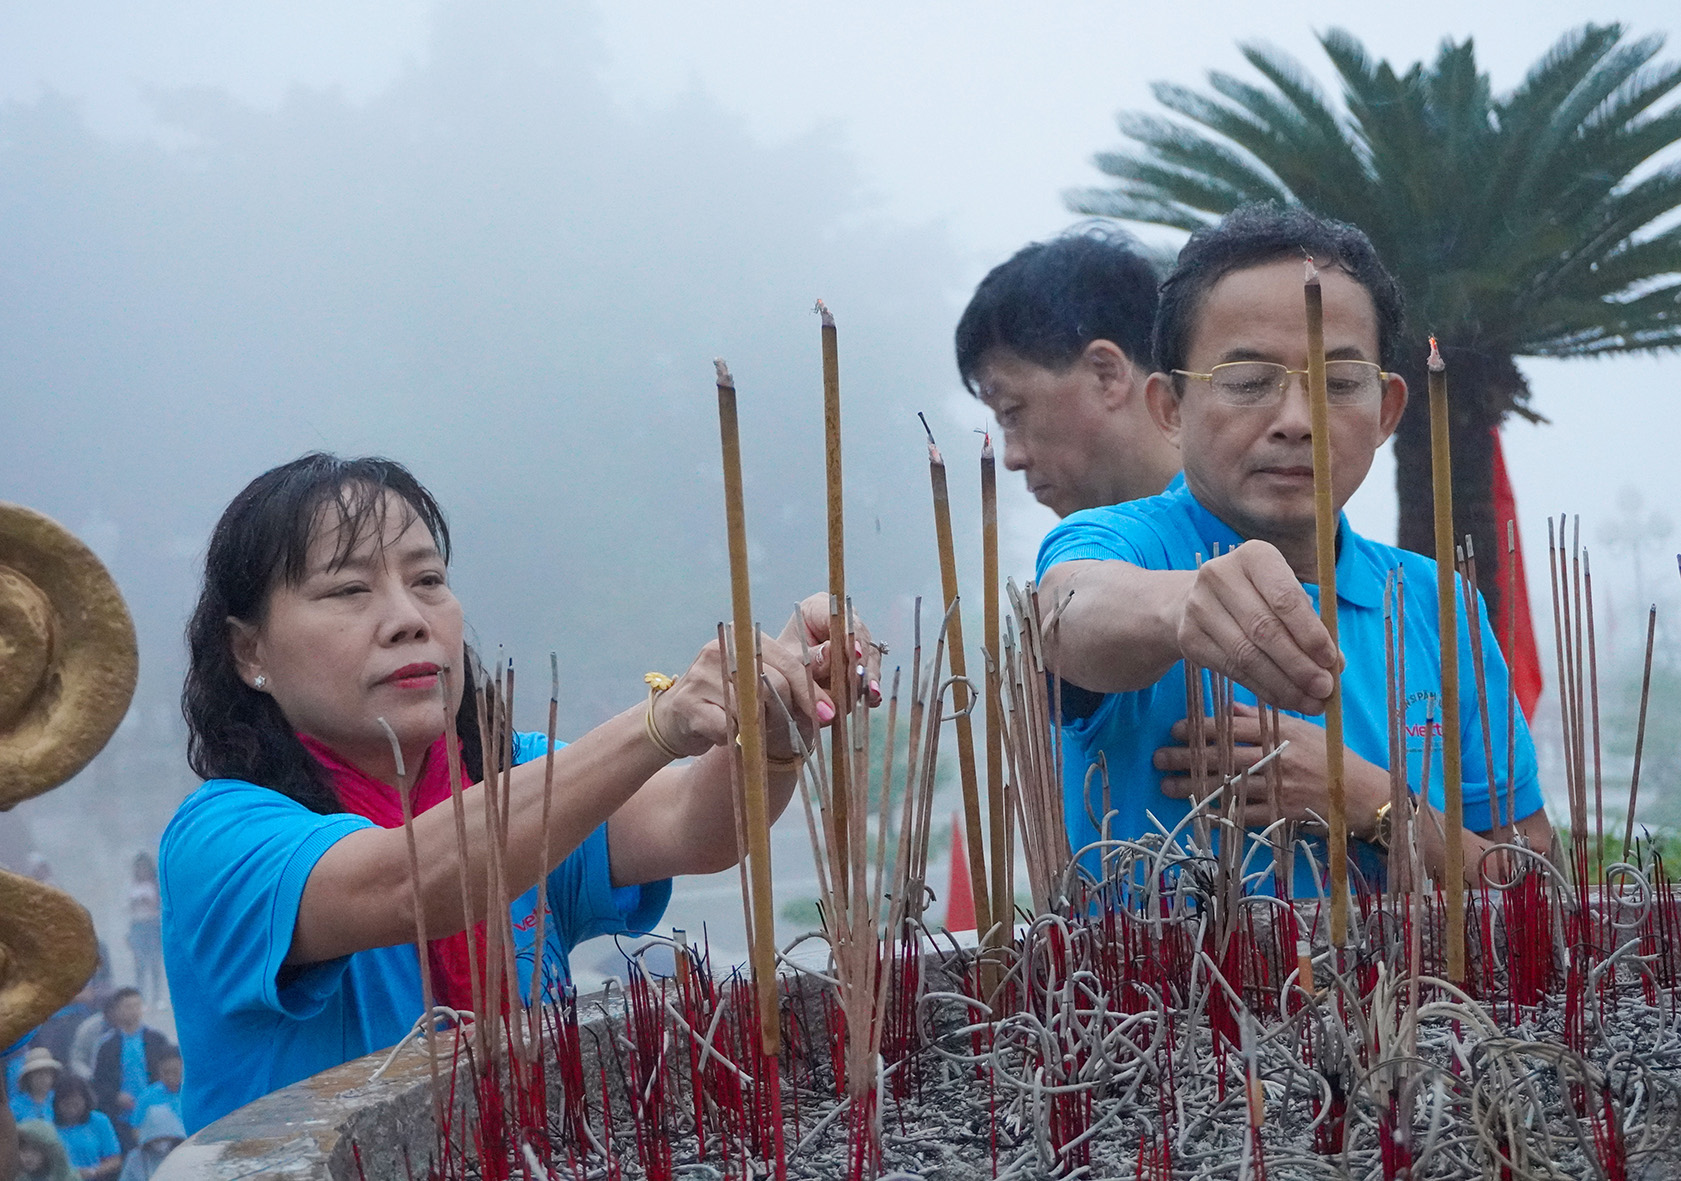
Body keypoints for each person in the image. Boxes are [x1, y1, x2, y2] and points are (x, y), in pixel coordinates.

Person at [162, 454, 878, 1134]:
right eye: (350, 590)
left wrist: (775, 711)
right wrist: (661, 720)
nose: (409, 617)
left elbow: (697, 824)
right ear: (248, 651)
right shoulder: (222, 837)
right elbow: (407, 884)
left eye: (429, 579)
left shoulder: (520, 775)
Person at [1036, 204, 1553, 893]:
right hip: (1163, 1003)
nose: (1295, 422)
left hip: (1404, 1003)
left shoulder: (1435, 602)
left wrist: (1363, 798)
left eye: (1339, 384)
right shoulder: (1122, 546)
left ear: (1387, 411)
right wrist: (1184, 604)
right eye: (1247, 382)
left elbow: (1529, 886)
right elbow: (1068, 610)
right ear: (1168, 408)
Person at [955, 225, 1179, 518]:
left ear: (1105, 374)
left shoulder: (1247, 540)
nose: (1012, 458)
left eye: (1012, 413)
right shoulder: (1111, 552)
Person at [88, 993, 169, 1148]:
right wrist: (115, 1096)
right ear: (117, 1011)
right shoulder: (107, 1046)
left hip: (156, 1114)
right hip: (122, 1118)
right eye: (128, 1006)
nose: (134, 1011)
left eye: (137, 1006)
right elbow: (98, 1081)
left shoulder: (156, 1040)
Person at [49, 1080, 118, 1181]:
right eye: (66, 1104)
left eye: (76, 1104)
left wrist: (93, 1172)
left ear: (85, 1101)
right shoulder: (49, 1126)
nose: (71, 1109)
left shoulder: (99, 1121)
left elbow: (114, 1160)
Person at [124, 859, 162, 1011]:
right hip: (137, 926)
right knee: (140, 963)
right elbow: (125, 907)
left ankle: (157, 997)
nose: (142, 871)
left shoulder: (155, 885)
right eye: (139, 868)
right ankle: (141, 998)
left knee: (154, 962)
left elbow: (160, 906)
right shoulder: (131, 886)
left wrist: (149, 903)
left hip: (152, 925)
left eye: (144, 868)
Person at [112, 1110, 180, 1181]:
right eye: (156, 1139)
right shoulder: (135, 1158)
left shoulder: (183, 1155)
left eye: (165, 1138)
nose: (161, 1143)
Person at [122, 1055, 178, 1131]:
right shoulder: (147, 1096)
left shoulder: (194, 1095)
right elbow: (136, 1128)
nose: (170, 1077)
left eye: (175, 1072)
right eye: (166, 1072)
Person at [8, 1052, 59, 1124]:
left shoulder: (58, 1100)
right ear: (28, 1078)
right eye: (38, 1074)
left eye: (47, 1073)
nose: (43, 1078)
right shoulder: (15, 1106)